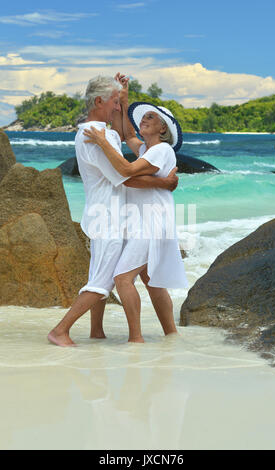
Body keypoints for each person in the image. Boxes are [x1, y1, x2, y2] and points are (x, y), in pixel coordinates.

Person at [48, 74, 178, 347]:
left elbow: (123, 136)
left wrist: (124, 97)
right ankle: (61, 331)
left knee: (111, 275)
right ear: (99, 101)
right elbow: (126, 174)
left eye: (120, 103)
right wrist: (166, 182)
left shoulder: (93, 133)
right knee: (106, 279)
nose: (119, 109)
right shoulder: (98, 135)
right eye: (115, 103)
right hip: (109, 217)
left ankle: (98, 331)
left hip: (110, 216)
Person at [83, 85, 189, 343]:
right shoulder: (146, 149)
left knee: (122, 278)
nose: (144, 119)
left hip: (151, 223)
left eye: (150, 117)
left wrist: (100, 142)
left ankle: (136, 339)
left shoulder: (162, 151)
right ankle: (171, 335)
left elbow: (127, 173)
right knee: (151, 280)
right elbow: (126, 132)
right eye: (144, 116)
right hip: (143, 222)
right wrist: (125, 98)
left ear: (163, 129)